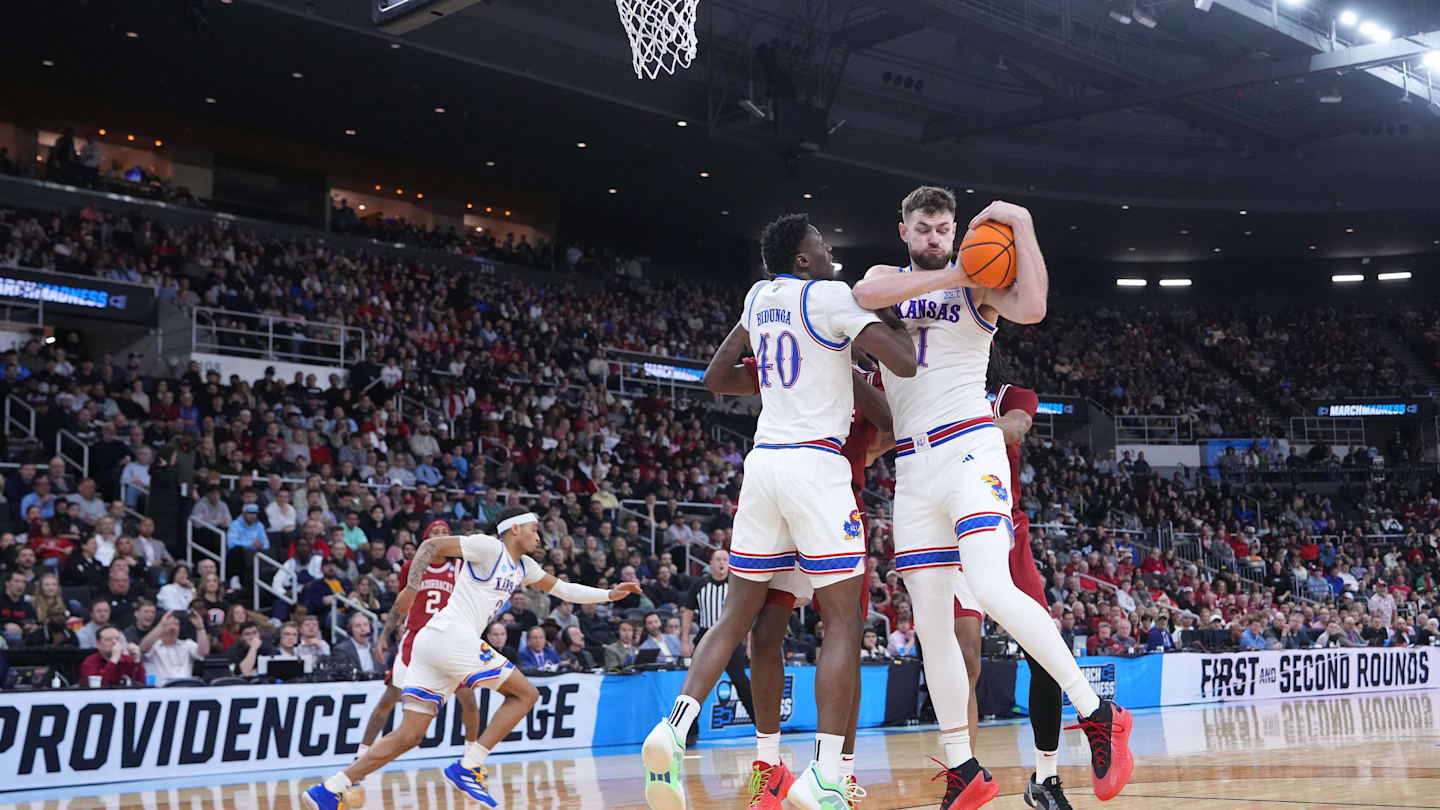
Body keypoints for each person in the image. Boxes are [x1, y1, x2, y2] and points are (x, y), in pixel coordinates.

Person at [851, 186, 1132, 807]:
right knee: (929, 622)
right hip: (912, 467)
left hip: (968, 448)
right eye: (923, 228)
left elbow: (1033, 307)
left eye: (944, 228)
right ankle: (964, 767)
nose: (933, 237)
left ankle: (1097, 712)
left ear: (955, 229)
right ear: (904, 230)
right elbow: (863, 297)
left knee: (991, 587)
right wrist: (955, 268)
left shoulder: (981, 287)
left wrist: (1022, 223)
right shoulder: (887, 278)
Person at [643, 213, 917, 810]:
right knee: (842, 623)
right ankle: (825, 774)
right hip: (816, 469)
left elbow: (717, 377)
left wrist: (792, 375)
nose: (829, 250)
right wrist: (881, 321)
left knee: (742, 616)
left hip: (763, 464)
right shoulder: (831, 298)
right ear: (801, 258)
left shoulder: (759, 294)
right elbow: (904, 362)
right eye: (821, 243)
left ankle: (673, 726)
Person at [302, 508, 639, 810]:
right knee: (526, 694)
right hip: (451, 636)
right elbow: (430, 547)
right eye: (534, 529)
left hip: (433, 643)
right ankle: (469, 765)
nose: (539, 536)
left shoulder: (523, 566)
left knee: (409, 735)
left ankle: (329, 790)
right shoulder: (488, 546)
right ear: (514, 529)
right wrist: (410, 587)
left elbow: (565, 590)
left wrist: (609, 594)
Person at [946, 351, 1072, 809]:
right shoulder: (934, 392)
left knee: (1046, 657)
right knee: (964, 662)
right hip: (950, 535)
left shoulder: (1010, 395)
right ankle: (964, 776)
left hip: (1007, 532)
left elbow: (1016, 424)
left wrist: (949, 435)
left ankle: (1046, 778)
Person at [359, 520, 481, 757]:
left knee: (468, 697)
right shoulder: (411, 567)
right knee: (391, 696)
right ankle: (362, 752)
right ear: (426, 539)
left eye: (444, 533)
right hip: (416, 638)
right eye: (434, 532)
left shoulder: (461, 569)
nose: (439, 536)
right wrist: (384, 635)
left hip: (450, 641)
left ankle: (472, 757)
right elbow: (400, 605)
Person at [139, 608, 211, 685]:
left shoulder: (186, 644)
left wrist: (200, 628)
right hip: (160, 692)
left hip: (186, 690)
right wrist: (162, 624)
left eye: (176, 624)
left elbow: (204, 652)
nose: (173, 627)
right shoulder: (153, 646)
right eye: (169, 624)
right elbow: (143, 648)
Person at [79, 625, 145, 686]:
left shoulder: (127, 660)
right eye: (108, 639)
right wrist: (113, 661)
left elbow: (142, 683)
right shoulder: (90, 663)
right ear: (98, 644)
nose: (114, 642)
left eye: (117, 639)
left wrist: (137, 660)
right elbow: (100, 685)